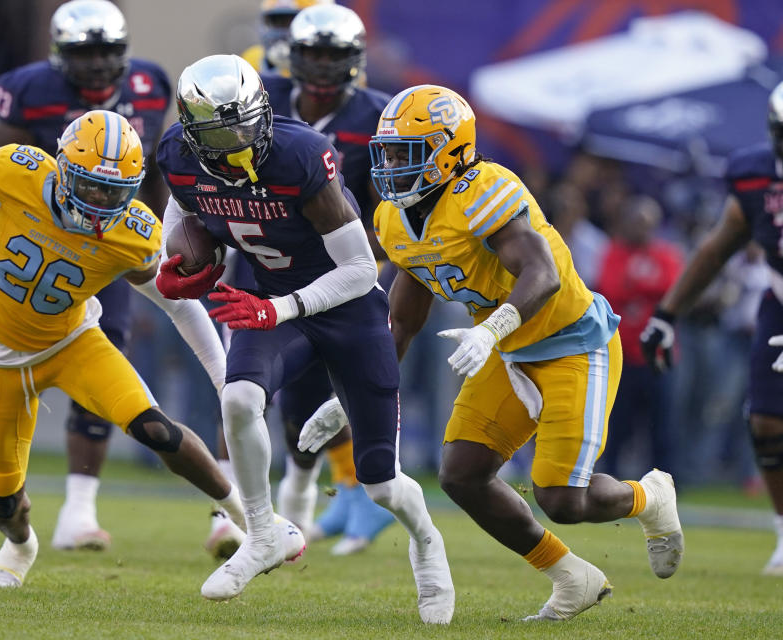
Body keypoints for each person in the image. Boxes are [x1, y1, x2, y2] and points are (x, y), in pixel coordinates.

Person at [302, 84, 684, 622]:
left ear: (450, 149)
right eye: (387, 151)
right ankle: (570, 576)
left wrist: (491, 329)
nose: (389, 164)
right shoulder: (393, 217)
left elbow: (543, 275)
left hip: (572, 344)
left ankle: (650, 498)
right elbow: (402, 321)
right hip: (504, 349)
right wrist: (352, 398)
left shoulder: (486, 188)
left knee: (561, 498)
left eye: (405, 153)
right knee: (462, 474)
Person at [0, 109, 255, 588]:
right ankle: (22, 544)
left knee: (157, 430)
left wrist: (221, 376)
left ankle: (251, 517)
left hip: (73, 344)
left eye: (113, 192)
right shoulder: (19, 173)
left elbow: (178, 304)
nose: (99, 201)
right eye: (90, 185)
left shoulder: (132, 232)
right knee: (4, 502)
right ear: (63, 169)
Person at [155, 54, 453, 624]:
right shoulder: (178, 153)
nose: (242, 139)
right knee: (238, 398)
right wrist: (178, 251)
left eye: (247, 121)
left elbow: (363, 269)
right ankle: (264, 532)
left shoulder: (297, 154)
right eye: (223, 131)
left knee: (382, 482)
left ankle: (426, 542)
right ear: (195, 133)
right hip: (267, 301)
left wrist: (279, 307)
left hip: (345, 310)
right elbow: (181, 203)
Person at [0, 0, 173, 551]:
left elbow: (153, 176)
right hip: (37, 241)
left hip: (109, 245)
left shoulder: (151, 84)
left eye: (108, 51)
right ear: (60, 55)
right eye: (85, 52)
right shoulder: (29, 88)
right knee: (5, 362)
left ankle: (80, 508)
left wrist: (156, 243)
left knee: (112, 353)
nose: (99, 64)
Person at [264, 3, 394, 555]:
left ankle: (366, 494)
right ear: (293, 55)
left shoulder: (378, 116)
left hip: (350, 272)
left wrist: (376, 268)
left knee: (352, 386)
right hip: (273, 266)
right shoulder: (261, 100)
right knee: (294, 392)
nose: (320, 66)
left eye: (333, 55)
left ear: (354, 60)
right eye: (312, 54)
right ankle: (331, 495)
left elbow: (391, 207)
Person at [641, 80, 783, 575]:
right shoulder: (754, 174)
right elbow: (717, 247)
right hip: (779, 300)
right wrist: (667, 313)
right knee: (765, 419)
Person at [596, 195, 682, 478]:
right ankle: (608, 479)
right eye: (637, 222)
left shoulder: (666, 255)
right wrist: (649, 289)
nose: (641, 229)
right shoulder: (614, 252)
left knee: (662, 425)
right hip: (622, 354)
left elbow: (674, 290)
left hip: (658, 355)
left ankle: (665, 483)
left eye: (647, 224)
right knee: (618, 424)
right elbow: (610, 289)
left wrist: (636, 287)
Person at [240, 0, 334, 76]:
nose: (282, 32)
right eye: (277, 22)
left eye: (293, 21)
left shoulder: (326, 63)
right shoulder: (252, 61)